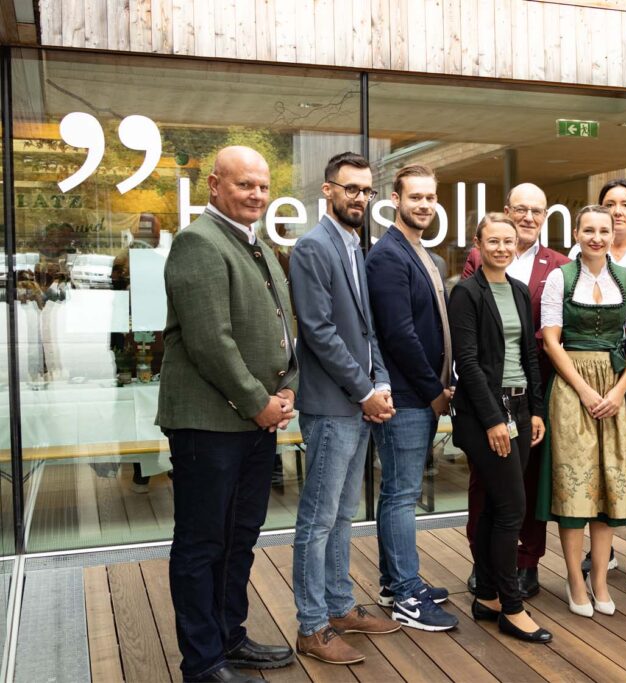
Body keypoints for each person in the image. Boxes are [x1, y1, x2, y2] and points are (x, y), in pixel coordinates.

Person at [158, 146, 297, 683]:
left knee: (240, 535)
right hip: (208, 425)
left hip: (256, 420)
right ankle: (203, 660)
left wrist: (287, 391)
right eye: (245, 185)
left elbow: (284, 329)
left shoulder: (255, 244)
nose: (257, 194)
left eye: (263, 186)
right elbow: (209, 341)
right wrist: (260, 402)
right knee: (201, 543)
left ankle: (229, 636)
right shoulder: (198, 242)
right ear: (214, 186)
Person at [289, 152, 400, 665]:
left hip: (358, 402)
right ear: (328, 191)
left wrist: (379, 382)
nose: (359, 197)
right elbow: (319, 332)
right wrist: (364, 391)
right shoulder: (313, 248)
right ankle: (312, 625)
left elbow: (367, 328)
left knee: (342, 514)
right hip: (333, 405)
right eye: (350, 188)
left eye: (365, 190)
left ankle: (338, 607)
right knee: (317, 519)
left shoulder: (355, 246)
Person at [461, 183, 569, 599]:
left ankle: (527, 563)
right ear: (506, 212)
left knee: (527, 482)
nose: (528, 217)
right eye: (520, 209)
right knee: (484, 482)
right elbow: (469, 335)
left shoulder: (557, 264)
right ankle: (483, 561)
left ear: (545, 217)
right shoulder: (478, 260)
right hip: (486, 393)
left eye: (536, 211)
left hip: (533, 389)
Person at [538, 205, 626, 618]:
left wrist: (619, 390)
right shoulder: (560, 277)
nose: (597, 237)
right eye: (589, 230)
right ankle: (574, 578)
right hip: (571, 387)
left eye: (604, 230)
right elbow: (552, 340)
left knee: (608, 486)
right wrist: (582, 389)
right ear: (577, 233)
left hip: (615, 386)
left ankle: (600, 578)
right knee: (575, 485)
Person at [449, 213, 552, 644]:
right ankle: (512, 607)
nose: (502, 248)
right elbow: (467, 363)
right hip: (483, 414)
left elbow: (530, 353)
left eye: (509, 241)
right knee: (512, 508)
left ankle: (488, 596)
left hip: (519, 405)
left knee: (496, 506)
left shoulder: (519, 289)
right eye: (493, 241)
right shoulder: (466, 293)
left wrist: (536, 411)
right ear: (478, 243)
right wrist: (494, 419)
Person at [365, 164, 459, 631]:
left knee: (399, 493)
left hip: (423, 394)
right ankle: (405, 595)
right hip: (406, 397)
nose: (424, 204)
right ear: (395, 200)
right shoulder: (387, 256)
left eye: (430, 197)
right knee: (402, 495)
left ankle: (393, 581)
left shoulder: (427, 256)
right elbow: (398, 335)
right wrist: (433, 392)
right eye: (415, 196)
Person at [570, 179, 626, 589]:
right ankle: (597, 552)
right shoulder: (577, 260)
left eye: (625, 205)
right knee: (594, 463)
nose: (618, 211)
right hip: (594, 375)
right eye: (611, 204)